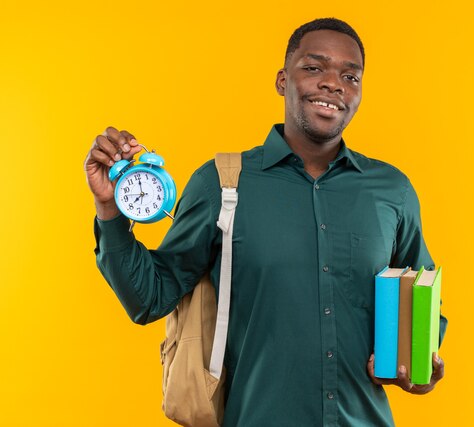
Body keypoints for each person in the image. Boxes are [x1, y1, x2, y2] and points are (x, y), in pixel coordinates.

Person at [85, 18, 447, 427]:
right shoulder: (221, 184)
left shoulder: (391, 191)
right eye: (314, 68)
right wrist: (110, 211)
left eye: (350, 75)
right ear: (282, 80)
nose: (333, 84)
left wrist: (422, 362)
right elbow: (148, 298)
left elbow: (422, 298)